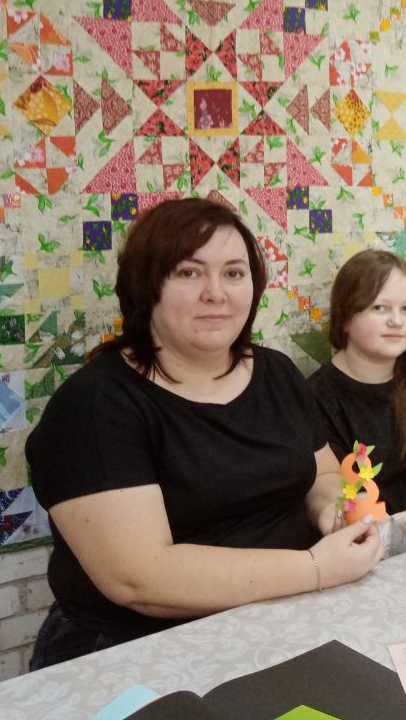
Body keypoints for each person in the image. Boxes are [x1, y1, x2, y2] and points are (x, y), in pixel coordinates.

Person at [25, 199, 382, 669]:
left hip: (281, 621)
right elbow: (140, 578)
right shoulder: (95, 405)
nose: (215, 293)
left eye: (233, 273)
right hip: (134, 649)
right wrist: (315, 567)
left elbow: (322, 475)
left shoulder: (277, 373)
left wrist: (332, 512)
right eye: (189, 273)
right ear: (145, 286)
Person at [308, 250, 406, 514]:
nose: (397, 321)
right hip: (362, 532)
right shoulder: (317, 398)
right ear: (345, 318)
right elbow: (336, 500)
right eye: (380, 308)